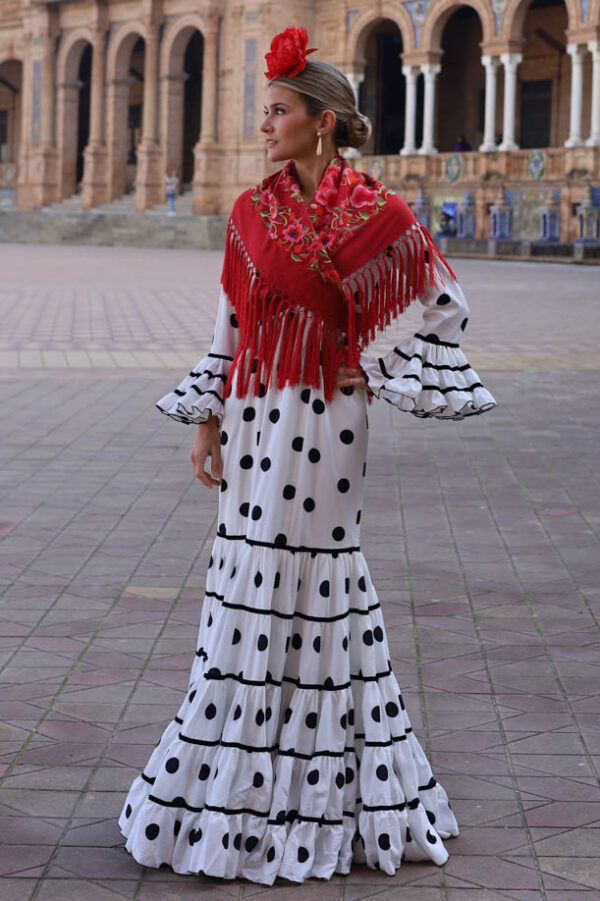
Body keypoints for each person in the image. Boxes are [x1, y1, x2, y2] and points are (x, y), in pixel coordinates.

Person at [118, 26, 497, 885]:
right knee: (249, 583)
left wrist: (379, 355)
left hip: (330, 422)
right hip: (256, 418)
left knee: (320, 583)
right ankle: (235, 786)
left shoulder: (377, 213)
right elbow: (230, 323)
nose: (265, 124)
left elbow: (442, 301)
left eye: (279, 111)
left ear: (321, 122)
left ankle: (331, 793)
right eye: (265, 109)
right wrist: (207, 419)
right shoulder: (249, 214)